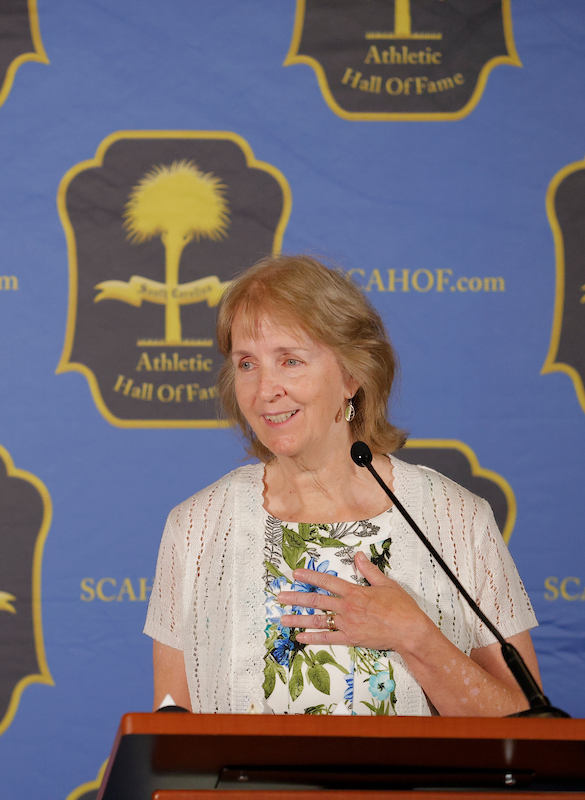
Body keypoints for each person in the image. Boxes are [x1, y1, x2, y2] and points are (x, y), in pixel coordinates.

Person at [144, 254, 540, 716]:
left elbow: (525, 725)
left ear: (352, 374)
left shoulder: (456, 519)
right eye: (247, 363)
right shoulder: (196, 528)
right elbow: (171, 729)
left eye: (290, 360)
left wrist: (417, 637)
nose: (265, 389)